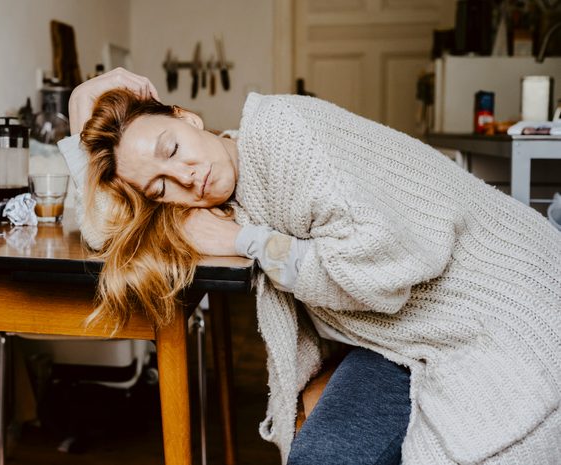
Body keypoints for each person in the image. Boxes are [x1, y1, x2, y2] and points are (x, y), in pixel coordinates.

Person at [58, 68, 561, 465]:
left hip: (498, 310)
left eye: (172, 149)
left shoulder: (282, 133)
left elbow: (376, 271)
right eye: (160, 186)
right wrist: (82, 116)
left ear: (188, 118)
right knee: (324, 457)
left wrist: (247, 241)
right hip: (396, 339)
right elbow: (105, 234)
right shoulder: (224, 197)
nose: (186, 178)